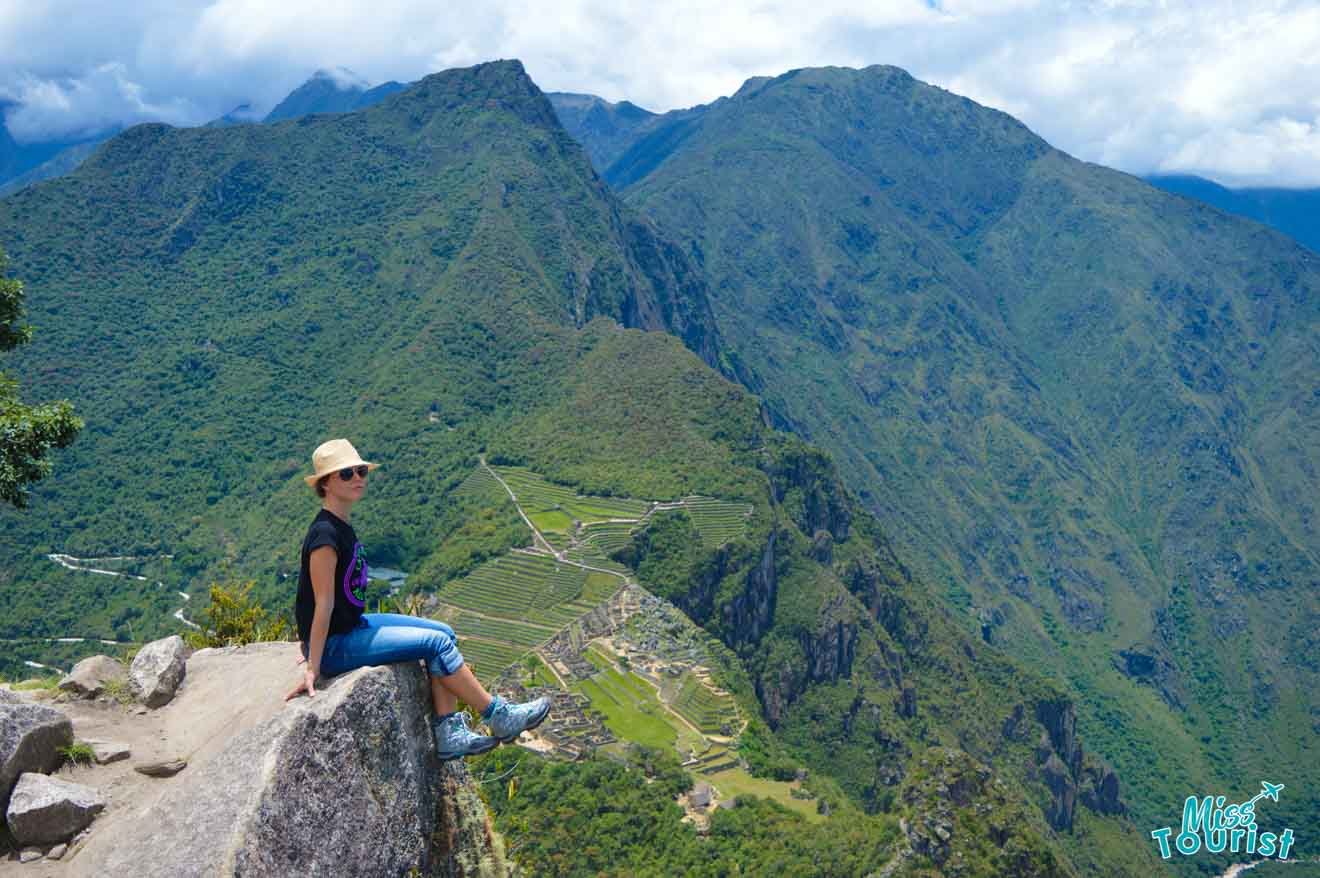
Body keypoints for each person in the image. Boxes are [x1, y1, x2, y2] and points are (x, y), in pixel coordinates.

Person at [285, 438, 549, 760]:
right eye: (346, 474)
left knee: (444, 634)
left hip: (352, 625)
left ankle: (450, 731)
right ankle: (497, 715)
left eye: (361, 470)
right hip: (335, 645)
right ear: (325, 483)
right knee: (437, 645)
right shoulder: (325, 536)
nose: (358, 478)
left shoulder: (341, 525)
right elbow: (322, 602)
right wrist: (314, 663)